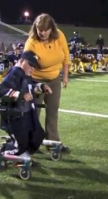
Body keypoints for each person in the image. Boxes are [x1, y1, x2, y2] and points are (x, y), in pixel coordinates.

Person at [24, 13, 71, 152]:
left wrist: (65, 76)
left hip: (54, 79)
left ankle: (53, 143)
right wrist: (28, 86)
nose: (43, 33)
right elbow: (24, 65)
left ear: (52, 29)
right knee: (34, 113)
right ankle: (31, 143)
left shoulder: (59, 36)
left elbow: (66, 56)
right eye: (40, 30)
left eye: (46, 30)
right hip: (36, 80)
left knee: (53, 110)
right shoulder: (31, 43)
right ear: (36, 28)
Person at [0, 51, 52, 159]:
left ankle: (24, 154)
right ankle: (7, 151)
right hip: (15, 116)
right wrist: (21, 95)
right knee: (21, 145)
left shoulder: (24, 73)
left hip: (26, 114)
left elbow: (31, 85)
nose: (33, 68)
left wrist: (41, 87)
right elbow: (2, 89)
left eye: (34, 66)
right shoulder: (15, 72)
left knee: (37, 135)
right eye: (31, 65)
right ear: (22, 61)